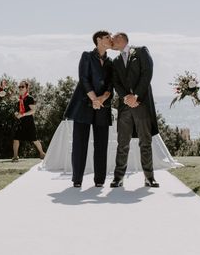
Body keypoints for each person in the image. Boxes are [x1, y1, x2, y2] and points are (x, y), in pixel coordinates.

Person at [109, 32, 159, 188]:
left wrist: (136, 96)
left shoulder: (141, 51)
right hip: (125, 107)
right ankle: (118, 178)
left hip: (142, 104)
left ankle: (149, 177)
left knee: (145, 142)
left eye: (113, 40)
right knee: (122, 143)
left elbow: (147, 74)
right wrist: (126, 98)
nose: (111, 42)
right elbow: (116, 82)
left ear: (121, 39)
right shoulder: (115, 61)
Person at [64, 30, 113, 187]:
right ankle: (77, 180)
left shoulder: (111, 62)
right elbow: (83, 79)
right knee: (79, 143)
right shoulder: (86, 56)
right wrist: (94, 99)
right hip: (84, 104)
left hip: (103, 106)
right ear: (98, 40)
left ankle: (99, 180)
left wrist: (102, 99)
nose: (110, 40)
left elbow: (111, 85)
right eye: (107, 37)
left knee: (101, 144)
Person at [12, 81, 46, 161]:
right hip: (20, 123)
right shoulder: (19, 100)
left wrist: (23, 114)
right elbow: (18, 111)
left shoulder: (30, 98)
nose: (20, 88)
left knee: (34, 139)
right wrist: (16, 114)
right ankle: (15, 156)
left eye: (22, 86)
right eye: (19, 86)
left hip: (29, 123)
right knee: (16, 139)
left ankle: (42, 153)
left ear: (27, 88)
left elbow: (33, 111)